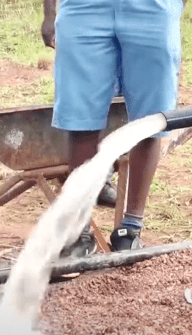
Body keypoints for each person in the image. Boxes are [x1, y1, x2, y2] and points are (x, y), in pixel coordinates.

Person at [42, 0, 186, 255]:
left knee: (150, 121)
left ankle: (130, 228)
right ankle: (79, 232)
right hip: (84, 7)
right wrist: (49, 13)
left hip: (151, 8)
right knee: (80, 119)